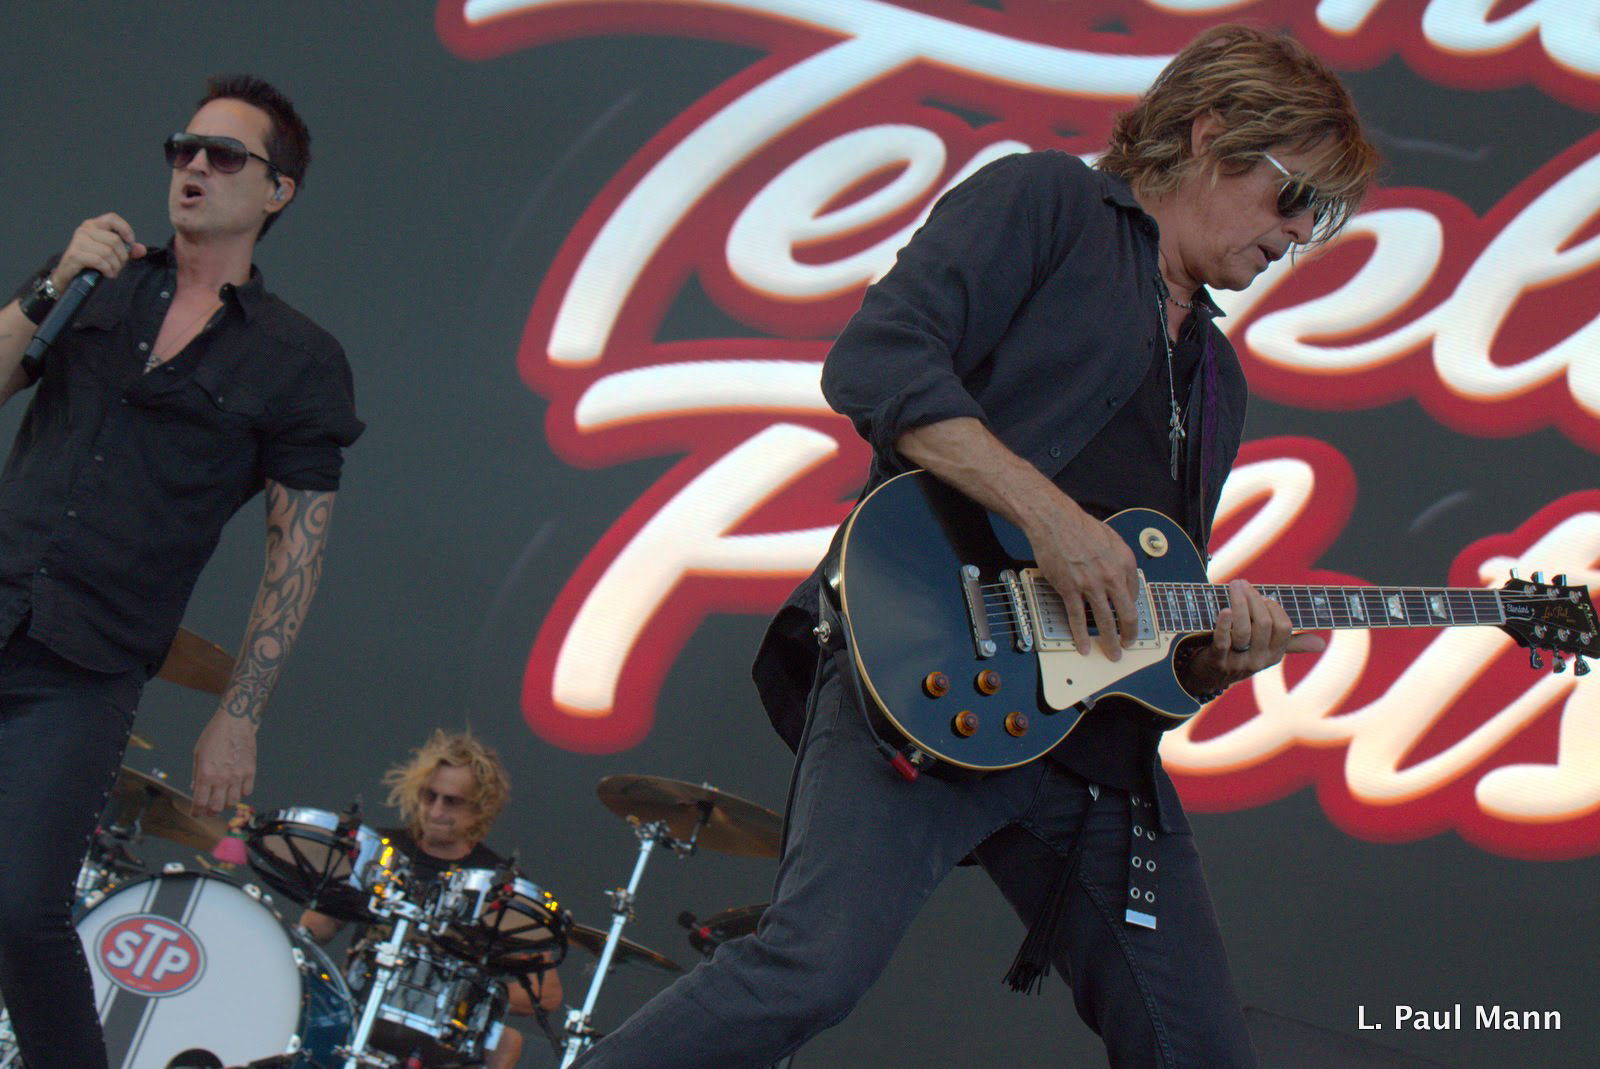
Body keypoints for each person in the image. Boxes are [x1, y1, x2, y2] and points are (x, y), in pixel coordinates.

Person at [573, 24, 1381, 1069]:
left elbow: (1146, 616)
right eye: (1294, 195)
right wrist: (1051, 520)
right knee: (809, 969)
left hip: (1088, 747)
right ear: (1209, 132)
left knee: (1198, 1051)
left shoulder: (1220, 379)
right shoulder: (1047, 203)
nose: (1301, 233)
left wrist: (1211, 663)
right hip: (924, 664)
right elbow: (877, 358)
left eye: (1321, 217)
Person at [0, 76, 362, 1069]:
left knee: (22, 910)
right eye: (183, 148)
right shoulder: (97, 280)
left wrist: (240, 710)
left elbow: (297, 550)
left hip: (84, 664)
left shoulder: (296, 359)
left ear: (277, 190)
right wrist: (48, 285)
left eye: (224, 154)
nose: (194, 166)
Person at [300, 730, 563, 1069]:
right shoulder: (381, 850)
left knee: (506, 1041)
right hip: (356, 1011)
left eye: (451, 801)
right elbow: (315, 929)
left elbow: (547, 993)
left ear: (480, 808)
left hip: (440, 1042)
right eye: (429, 796)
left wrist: (471, 997)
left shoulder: (497, 884)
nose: (436, 811)